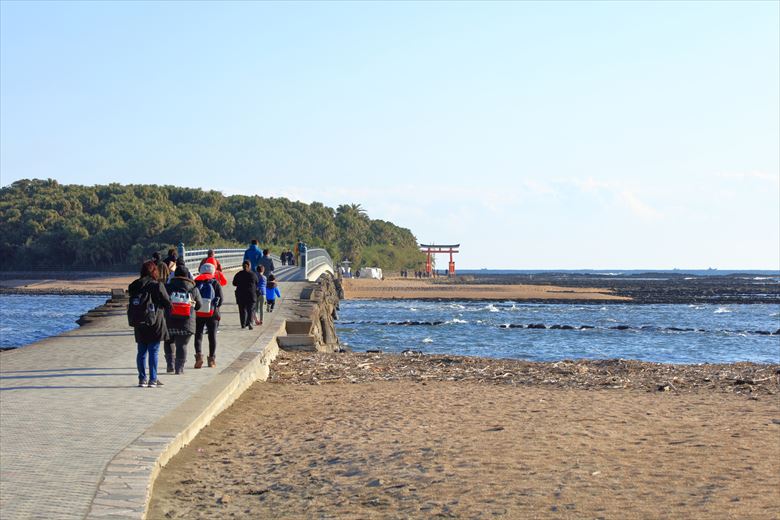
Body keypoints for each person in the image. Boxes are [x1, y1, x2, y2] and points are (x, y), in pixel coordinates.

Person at [128, 260, 171, 388]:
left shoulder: (134, 285)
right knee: (153, 351)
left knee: (141, 351)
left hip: (138, 321)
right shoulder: (157, 285)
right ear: (154, 271)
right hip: (155, 322)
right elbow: (167, 302)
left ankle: (142, 379)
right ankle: (153, 379)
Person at [164, 264, 202, 374]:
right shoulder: (193, 288)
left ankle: (170, 365)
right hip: (186, 323)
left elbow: (162, 302)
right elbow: (199, 305)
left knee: (169, 342)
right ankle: (179, 369)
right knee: (182, 345)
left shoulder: (168, 286)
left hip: (170, 321)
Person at [193, 263, 223, 368]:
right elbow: (221, 300)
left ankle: (199, 357)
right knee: (212, 336)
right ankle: (211, 360)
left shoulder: (196, 282)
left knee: (198, 335)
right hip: (212, 313)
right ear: (213, 271)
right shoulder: (215, 282)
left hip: (198, 313)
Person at [232, 260, 258, 329]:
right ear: (249, 266)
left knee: (242, 310)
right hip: (251, 295)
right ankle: (250, 323)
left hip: (241, 295)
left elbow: (234, 283)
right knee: (250, 310)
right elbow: (257, 283)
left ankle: (243, 324)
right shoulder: (253, 274)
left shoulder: (238, 274)